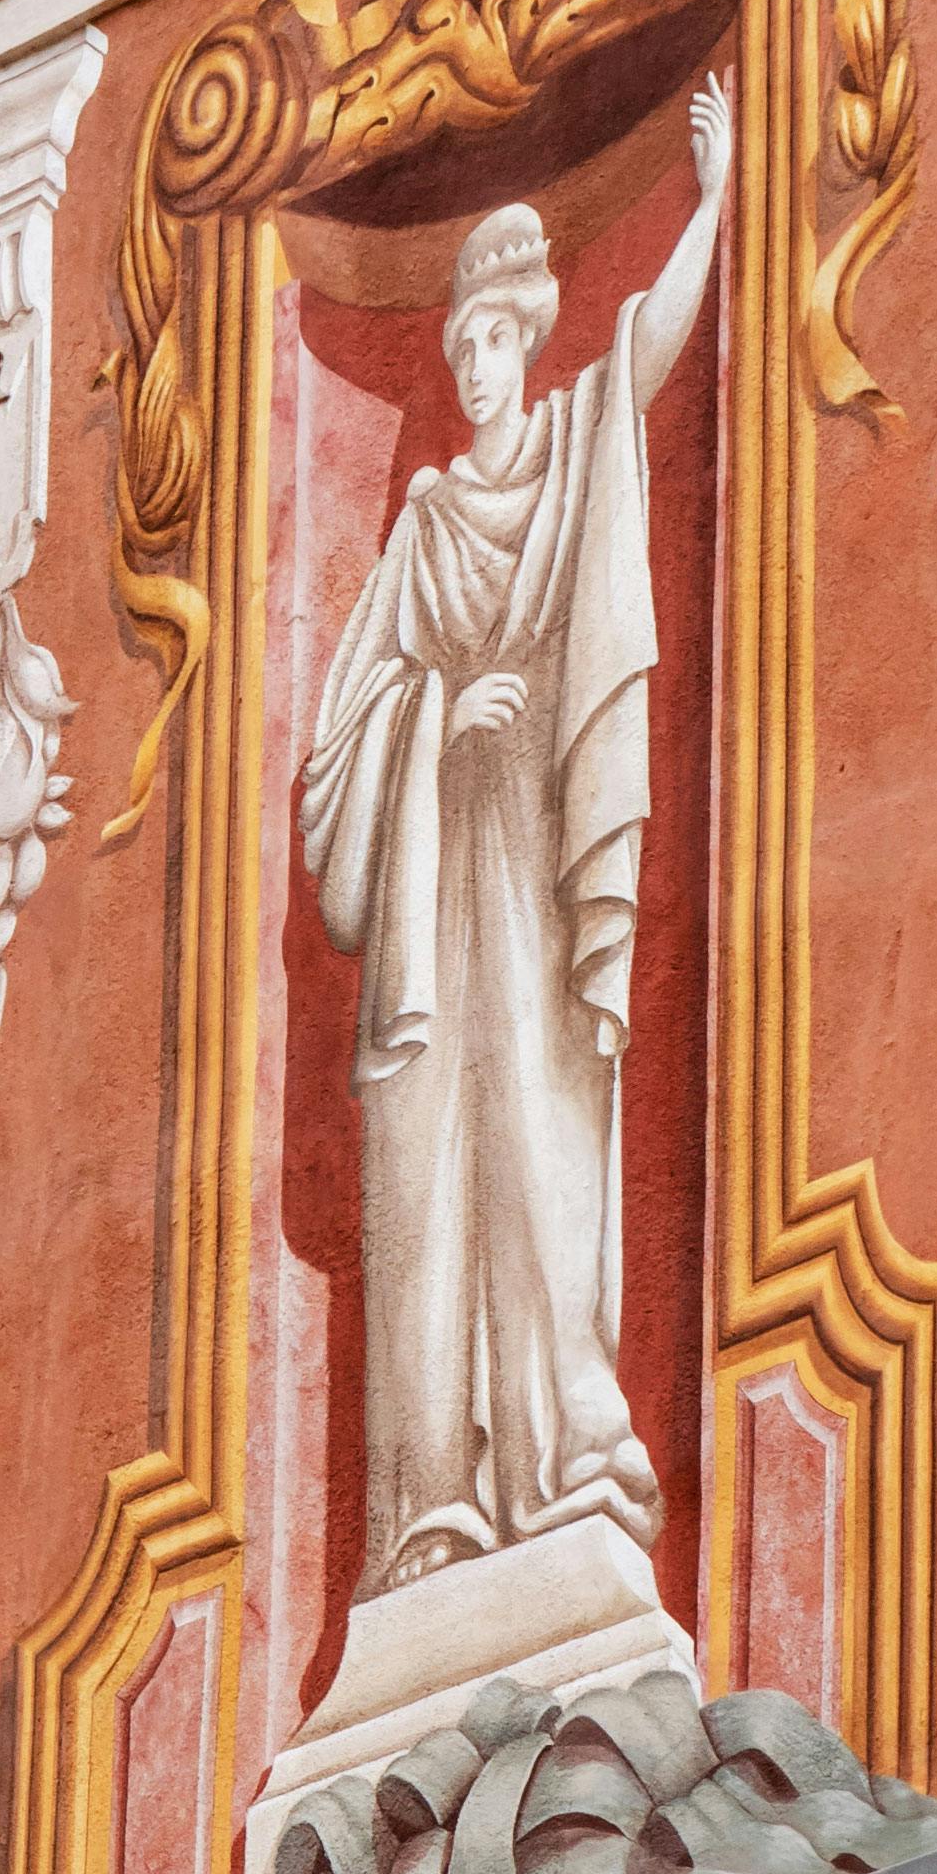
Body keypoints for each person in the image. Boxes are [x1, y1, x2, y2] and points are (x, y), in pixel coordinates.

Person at [296, 89, 727, 1599]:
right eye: (460, 343)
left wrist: (715, 205)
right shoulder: (419, 528)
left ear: (527, 336)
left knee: (540, 1138)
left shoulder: (567, 448)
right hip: (434, 876)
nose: (476, 361)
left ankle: (558, 1453)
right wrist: (434, 712)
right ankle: (439, 1492)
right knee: (431, 1170)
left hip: (529, 874)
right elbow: (335, 751)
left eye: (495, 336)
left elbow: (651, 358)